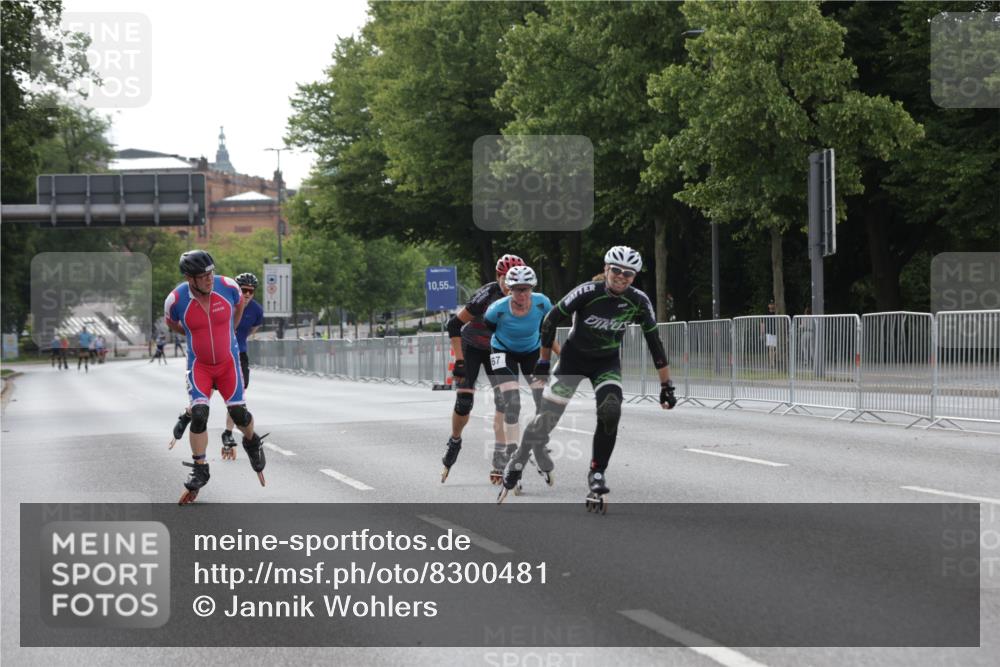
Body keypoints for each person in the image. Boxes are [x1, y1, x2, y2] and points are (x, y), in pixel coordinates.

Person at [499, 246, 677, 512]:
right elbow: (550, 320)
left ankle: (597, 473)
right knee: (546, 421)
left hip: (605, 363)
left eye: (628, 273)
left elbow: (655, 342)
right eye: (616, 270)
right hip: (572, 360)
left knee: (610, 411)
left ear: (635, 276)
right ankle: (519, 459)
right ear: (606, 269)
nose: (621, 276)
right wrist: (544, 361)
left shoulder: (638, 301)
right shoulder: (587, 292)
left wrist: (666, 385)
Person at [164, 250, 268, 504]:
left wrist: (229, 331)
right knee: (199, 414)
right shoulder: (176, 299)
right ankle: (200, 468)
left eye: (211, 272)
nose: (210, 279)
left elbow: (239, 306)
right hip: (199, 365)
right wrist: (192, 333)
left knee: (239, 415)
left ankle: (252, 442)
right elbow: (172, 323)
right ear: (190, 278)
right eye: (203, 276)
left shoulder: (229, 287)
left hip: (228, 363)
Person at [440, 254, 525, 483]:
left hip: (497, 351)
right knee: (464, 402)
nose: (513, 286)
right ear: (499, 278)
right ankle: (455, 440)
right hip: (472, 347)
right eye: (508, 280)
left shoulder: (525, 296)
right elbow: (454, 324)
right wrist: (458, 360)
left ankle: (499, 459)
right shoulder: (487, 295)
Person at [482, 265, 554, 485]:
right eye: (516, 289)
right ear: (509, 289)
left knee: (542, 403)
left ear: (532, 288)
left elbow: (548, 330)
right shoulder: (497, 309)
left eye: (526, 289)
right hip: (503, 351)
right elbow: (490, 329)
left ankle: (539, 445)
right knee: (512, 403)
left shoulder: (543, 303)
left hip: (532, 351)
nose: (521, 294)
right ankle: (513, 452)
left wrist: (544, 360)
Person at [219, 273, 264, 456]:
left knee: (237, 398)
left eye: (250, 291)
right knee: (206, 396)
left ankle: (228, 433)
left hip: (240, 354)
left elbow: (252, 329)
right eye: (243, 290)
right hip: (220, 353)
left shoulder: (256, 310)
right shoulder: (224, 304)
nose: (246, 294)